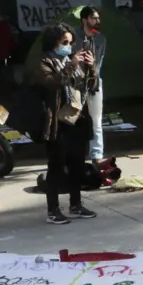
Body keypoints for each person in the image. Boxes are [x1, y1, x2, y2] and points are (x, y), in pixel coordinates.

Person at [34, 23, 98, 224]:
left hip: (77, 119)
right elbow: (53, 82)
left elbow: (91, 87)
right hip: (57, 122)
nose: (69, 46)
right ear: (54, 43)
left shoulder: (72, 62)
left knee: (77, 165)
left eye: (71, 43)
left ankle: (75, 204)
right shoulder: (45, 62)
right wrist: (72, 65)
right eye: (64, 42)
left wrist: (91, 67)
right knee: (56, 167)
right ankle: (53, 210)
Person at [78, 6, 107, 165]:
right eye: (93, 18)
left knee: (96, 119)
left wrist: (93, 68)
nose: (97, 21)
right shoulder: (75, 36)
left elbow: (99, 63)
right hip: (76, 82)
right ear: (84, 20)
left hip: (93, 81)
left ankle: (96, 154)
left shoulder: (100, 38)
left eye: (97, 18)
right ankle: (76, 153)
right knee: (75, 119)